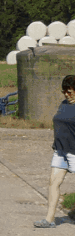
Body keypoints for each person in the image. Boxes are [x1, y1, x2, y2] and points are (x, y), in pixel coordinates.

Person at [35, 74, 75, 227]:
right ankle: (49, 220)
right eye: (64, 91)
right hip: (60, 151)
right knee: (53, 183)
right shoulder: (63, 104)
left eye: (69, 92)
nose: (66, 94)